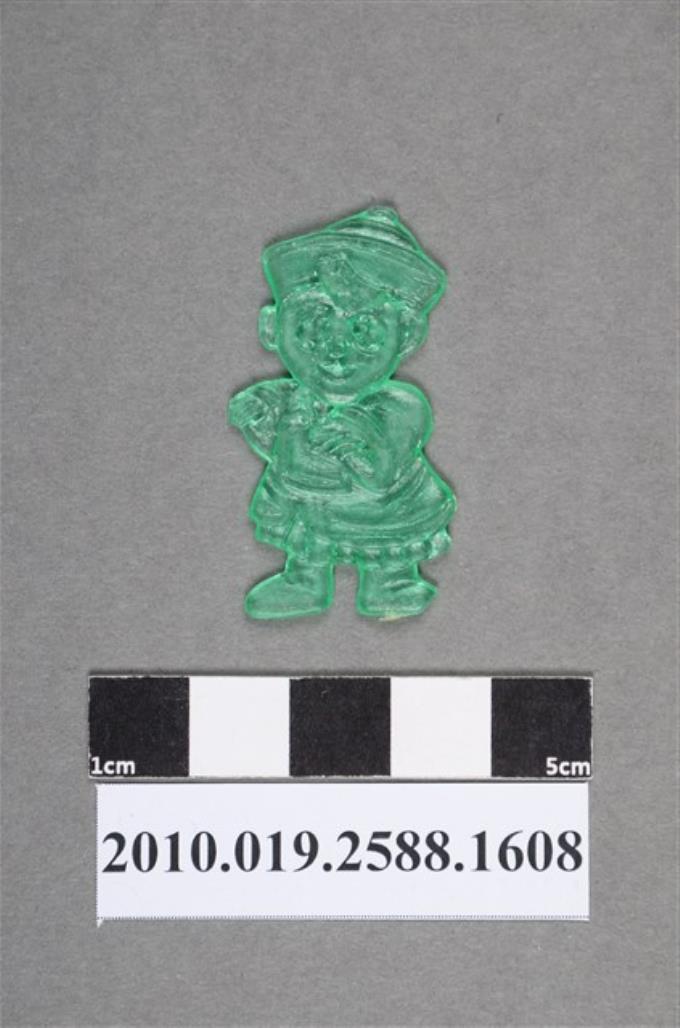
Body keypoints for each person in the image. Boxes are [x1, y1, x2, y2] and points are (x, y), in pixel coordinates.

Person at [229, 205, 456, 619]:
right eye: (314, 328)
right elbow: (278, 449)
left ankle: (391, 581)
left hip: (383, 511)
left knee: (387, 550)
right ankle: (305, 580)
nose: (336, 351)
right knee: (307, 544)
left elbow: (380, 475)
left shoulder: (400, 404)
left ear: (407, 335)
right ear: (271, 328)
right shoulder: (290, 396)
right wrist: (256, 416)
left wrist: (357, 444)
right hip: (310, 505)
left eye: (363, 332)